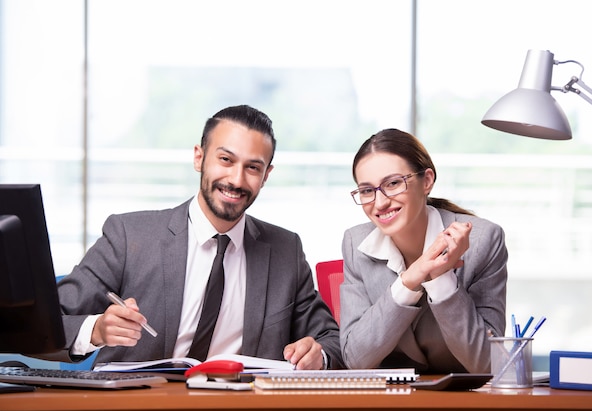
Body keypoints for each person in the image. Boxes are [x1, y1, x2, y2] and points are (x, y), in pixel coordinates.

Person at [54, 105, 342, 370]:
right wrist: (96, 330)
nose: (237, 180)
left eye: (253, 167)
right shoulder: (129, 235)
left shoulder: (285, 250)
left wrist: (319, 354)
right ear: (199, 157)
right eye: (226, 160)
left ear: (266, 175)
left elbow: (332, 340)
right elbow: (42, 325)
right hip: (140, 407)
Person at [340, 128, 507, 373]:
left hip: (463, 405)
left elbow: (488, 364)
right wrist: (408, 282)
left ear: (426, 181)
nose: (380, 202)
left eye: (393, 183)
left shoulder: (483, 240)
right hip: (389, 403)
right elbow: (355, 360)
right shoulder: (356, 243)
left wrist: (441, 278)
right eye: (367, 190)